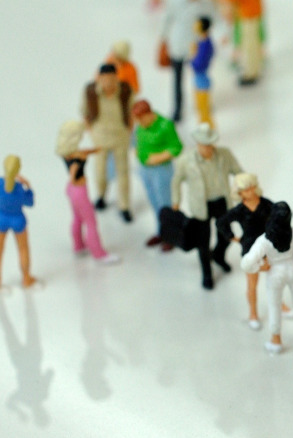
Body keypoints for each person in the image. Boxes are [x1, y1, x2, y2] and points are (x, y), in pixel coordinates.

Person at [170, 123, 242, 288]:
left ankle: (218, 256)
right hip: (201, 205)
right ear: (197, 143)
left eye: (210, 144)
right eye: (204, 144)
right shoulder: (185, 160)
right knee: (202, 243)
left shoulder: (224, 154)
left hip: (222, 201)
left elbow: (238, 171)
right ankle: (207, 273)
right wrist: (176, 200)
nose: (208, 148)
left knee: (226, 236)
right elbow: (176, 181)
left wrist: (246, 189)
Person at [240, 202, 293, 354]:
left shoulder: (264, 240)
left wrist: (259, 267)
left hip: (274, 272)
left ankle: (276, 340)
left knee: (274, 305)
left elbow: (246, 263)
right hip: (292, 268)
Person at [55, 121, 119, 265]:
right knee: (91, 221)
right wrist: (75, 174)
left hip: (71, 190)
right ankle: (99, 253)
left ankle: (78, 246)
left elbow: (84, 152)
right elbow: (73, 174)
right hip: (79, 191)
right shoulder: (76, 159)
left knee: (78, 218)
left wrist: (95, 150)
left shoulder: (68, 153)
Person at [0, 137, 36, 289]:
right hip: (18, 220)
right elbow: (30, 203)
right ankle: (26, 278)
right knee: (23, 249)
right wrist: (28, 186)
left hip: (0, 219)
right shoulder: (20, 189)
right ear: (17, 170)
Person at [216, 173, 274, 328]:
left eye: (251, 187)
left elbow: (279, 217)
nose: (250, 191)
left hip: (268, 247)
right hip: (249, 249)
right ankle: (253, 314)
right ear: (239, 193)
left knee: (275, 279)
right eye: (245, 190)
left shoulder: (266, 204)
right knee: (252, 285)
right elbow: (221, 222)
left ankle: (280, 305)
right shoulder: (239, 210)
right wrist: (232, 237)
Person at [82, 63, 134, 222]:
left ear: (116, 78)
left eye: (111, 79)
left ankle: (124, 206)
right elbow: (85, 113)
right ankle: (101, 196)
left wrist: (129, 130)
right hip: (100, 138)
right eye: (104, 79)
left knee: (123, 172)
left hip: (120, 137)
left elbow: (132, 112)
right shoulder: (91, 92)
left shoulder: (125, 91)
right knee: (100, 171)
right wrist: (91, 131)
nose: (108, 83)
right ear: (99, 78)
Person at [160, 0, 214, 122]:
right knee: (177, 79)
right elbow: (167, 19)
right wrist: (163, 39)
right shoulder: (176, 2)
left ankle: (203, 103)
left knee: (199, 76)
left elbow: (213, 20)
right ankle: (178, 108)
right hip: (178, 44)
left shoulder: (205, 4)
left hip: (195, 45)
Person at [133, 100, 182, 250]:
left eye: (141, 119)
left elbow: (176, 147)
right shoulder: (140, 127)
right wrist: (140, 155)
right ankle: (161, 231)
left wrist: (160, 157)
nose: (140, 123)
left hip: (161, 170)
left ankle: (171, 235)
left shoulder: (165, 125)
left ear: (149, 114)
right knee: (154, 201)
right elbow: (138, 144)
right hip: (145, 170)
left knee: (165, 203)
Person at [189, 16, 215, 125]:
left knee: (204, 108)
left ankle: (208, 128)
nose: (194, 26)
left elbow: (198, 64)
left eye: (197, 24)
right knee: (200, 107)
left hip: (202, 80)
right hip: (199, 79)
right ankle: (204, 126)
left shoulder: (205, 45)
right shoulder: (202, 42)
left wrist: (192, 55)